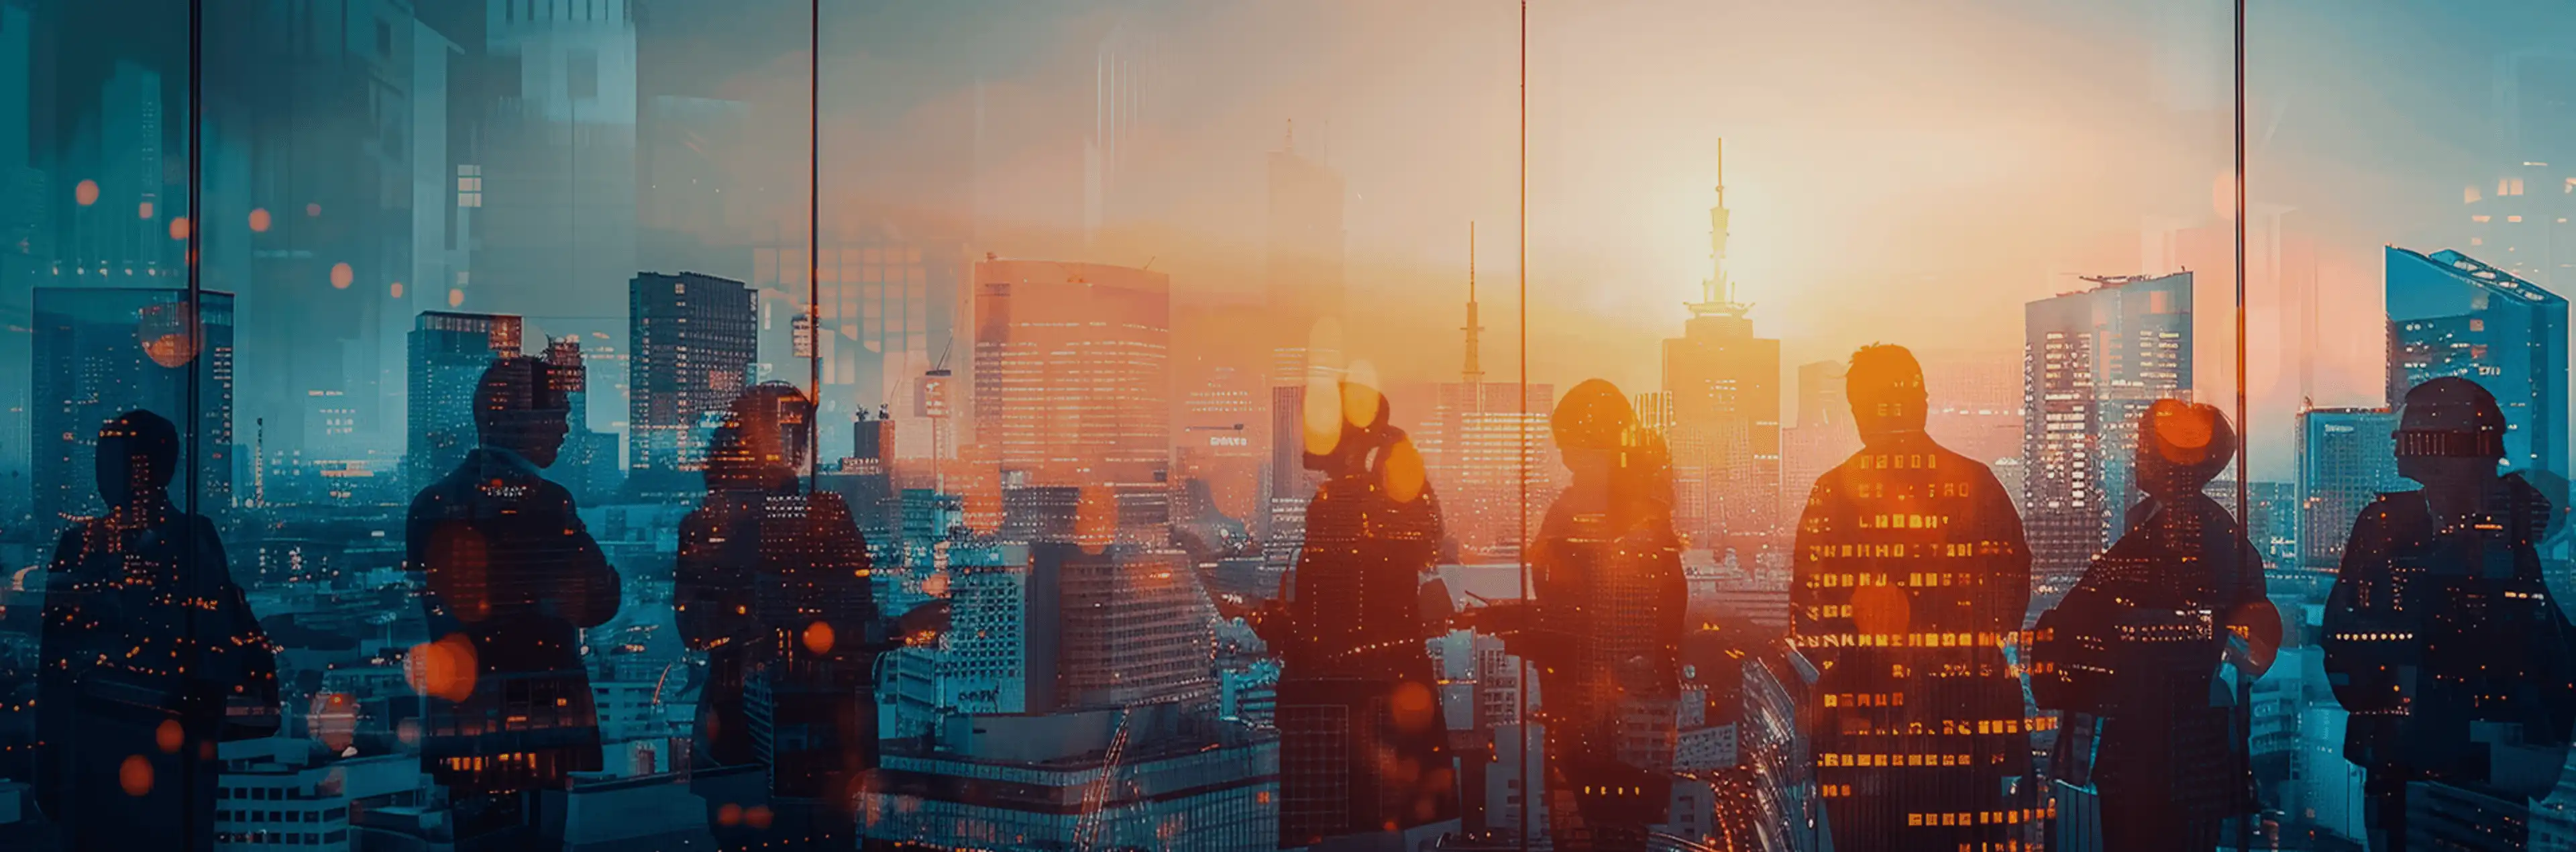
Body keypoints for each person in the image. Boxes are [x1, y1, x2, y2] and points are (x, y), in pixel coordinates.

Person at [1790, 343, 2035, 849]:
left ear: (1858, 411)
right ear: (1923, 403)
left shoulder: (1833, 493)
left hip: (1864, 732)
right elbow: (2009, 599)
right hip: (1964, 726)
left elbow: (1809, 618)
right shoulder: (1977, 485)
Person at [2324, 376, 2576, 852]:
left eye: (2416, 432)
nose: (2402, 442)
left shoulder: (2505, 528)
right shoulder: (2505, 527)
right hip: (2446, 761)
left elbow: (2350, 641)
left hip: (2445, 761)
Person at [2030, 399, 2276, 851]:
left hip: (2163, 743)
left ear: (2174, 461)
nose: (2136, 454)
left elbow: (2110, 619)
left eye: (2146, 444)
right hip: (2165, 739)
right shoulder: (2195, 531)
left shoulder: (2185, 536)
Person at [36, 409, 278, 852]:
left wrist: (49, 768)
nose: (100, 473)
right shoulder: (196, 539)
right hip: (177, 756)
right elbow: (220, 645)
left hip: (100, 753)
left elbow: (55, 668)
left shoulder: (81, 545)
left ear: (141, 469)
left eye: (106, 460)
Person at [407, 356, 619, 851]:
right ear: (512, 419)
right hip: (542, 716)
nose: (566, 427)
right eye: (557, 412)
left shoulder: (430, 504)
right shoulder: (546, 503)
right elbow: (600, 601)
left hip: (465, 718)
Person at [676, 383, 879, 850]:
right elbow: (860, 613)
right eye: (787, 431)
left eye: (800, 432)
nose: (797, 445)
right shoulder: (823, 514)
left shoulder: (706, 523)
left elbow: (694, 630)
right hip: (803, 712)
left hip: (742, 714)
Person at [1257, 381, 1455, 847]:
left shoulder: (1352, 502)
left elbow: (1341, 603)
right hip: (1377, 686)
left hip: (1354, 692)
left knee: (1354, 818)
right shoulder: (1362, 498)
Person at [1523, 378, 1685, 852]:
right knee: (1610, 826)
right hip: (1606, 701)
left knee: (1601, 825)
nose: (1565, 459)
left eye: (1572, 446)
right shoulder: (1638, 512)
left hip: (1609, 701)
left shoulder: (1623, 518)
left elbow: (1558, 597)